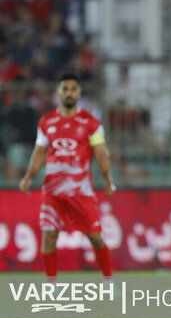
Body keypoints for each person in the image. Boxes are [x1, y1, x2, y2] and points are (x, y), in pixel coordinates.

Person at [19, 72, 116, 283]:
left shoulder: (91, 123)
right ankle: (51, 285)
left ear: (79, 93)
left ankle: (108, 281)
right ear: (58, 92)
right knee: (49, 236)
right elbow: (39, 152)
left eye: (73, 89)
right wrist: (28, 177)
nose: (69, 93)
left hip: (80, 190)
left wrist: (108, 179)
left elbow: (100, 152)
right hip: (52, 191)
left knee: (95, 237)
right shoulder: (46, 122)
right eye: (65, 89)